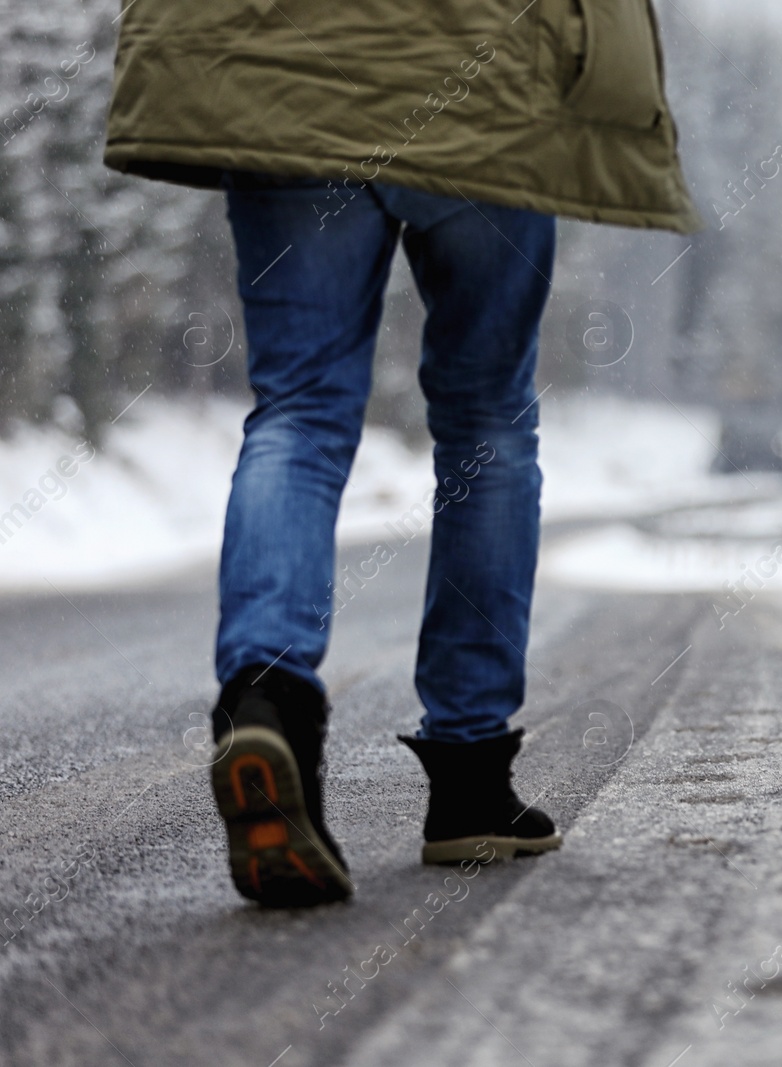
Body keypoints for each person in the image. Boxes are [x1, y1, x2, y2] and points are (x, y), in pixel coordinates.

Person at [103, 0, 700, 907]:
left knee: (300, 409)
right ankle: (469, 780)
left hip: (291, 70)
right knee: (489, 424)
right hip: (486, 83)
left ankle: (267, 702)